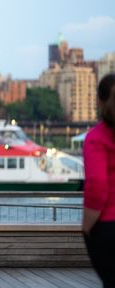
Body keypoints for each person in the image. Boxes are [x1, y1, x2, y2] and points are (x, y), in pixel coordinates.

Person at [83, 73, 115, 287]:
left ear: (99, 101)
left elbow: (97, 186)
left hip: (108, 226)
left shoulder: (97, 138)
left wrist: (86, 225)